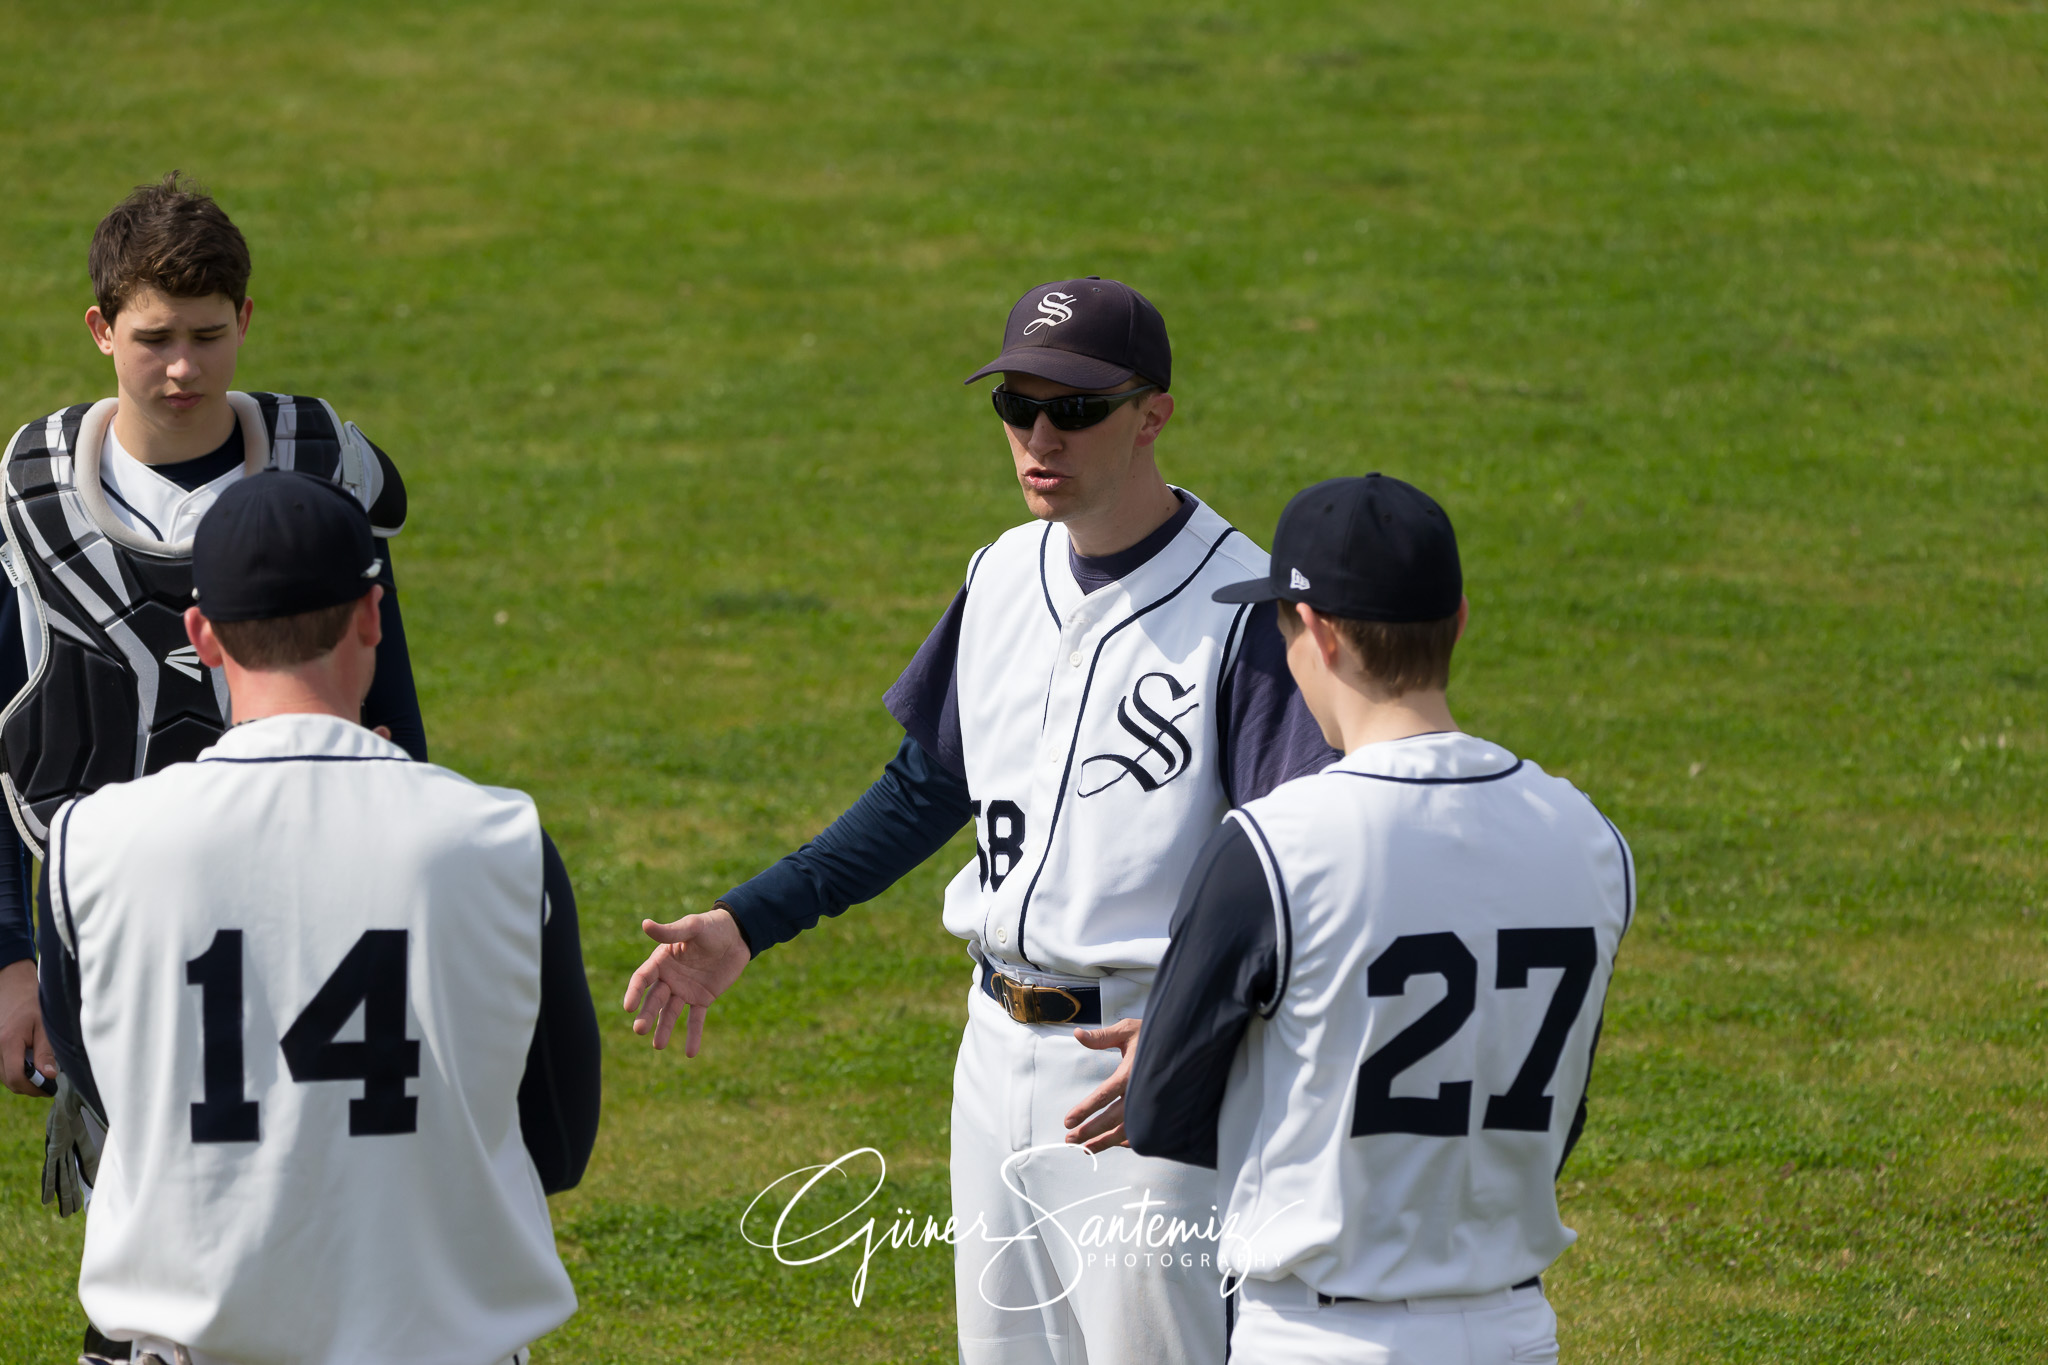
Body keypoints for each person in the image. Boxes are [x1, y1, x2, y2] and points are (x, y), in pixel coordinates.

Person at [624, 278, 1336, 1364]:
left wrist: (1203, 1029)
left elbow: (1306, 867)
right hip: (991, 1058)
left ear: (1153, 413)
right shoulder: (1003, 574)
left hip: (1139, 1077)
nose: (1038, 435)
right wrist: (746, 921)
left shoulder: (1238, 612)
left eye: (1076, 409)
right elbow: (924, 789)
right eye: (1016, 405)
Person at [36, 471, 599, 1365]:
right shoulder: (499, 837)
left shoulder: (89, 842)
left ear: (203, 636)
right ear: (371, 615)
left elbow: (112, 1090)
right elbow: (558, 1145)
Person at [1124, 475, 1633, 1364]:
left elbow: (1160, 1110)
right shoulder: (1590, 836)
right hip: (1515, 1329)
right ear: (1460, 620)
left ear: (1316, 631)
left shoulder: (1276, 845)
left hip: (1326, 1334)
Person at [0, 172, 429, 1111]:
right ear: (101, 329)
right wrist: (12, 960)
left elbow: (390, 712)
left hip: (315, 915)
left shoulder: (321, 471)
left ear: (244, 317)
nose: (183, 369)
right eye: (153, 339)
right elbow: (9, 751)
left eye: (206, 335)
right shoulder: (31, 505)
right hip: (109, 926)